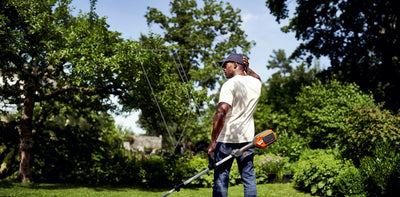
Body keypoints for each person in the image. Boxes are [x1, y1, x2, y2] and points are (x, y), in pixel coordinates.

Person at [207, 53, 261, 197]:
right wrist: (248, 69)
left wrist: (213, 141)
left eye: (226, 65)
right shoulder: (256, 83)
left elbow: (220, 113)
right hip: (247, 140)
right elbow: (257, 77)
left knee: (221, 178)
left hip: (226, 140)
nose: (223, 68)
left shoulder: (229, 84)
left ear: (236, 65)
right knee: (249, 178)